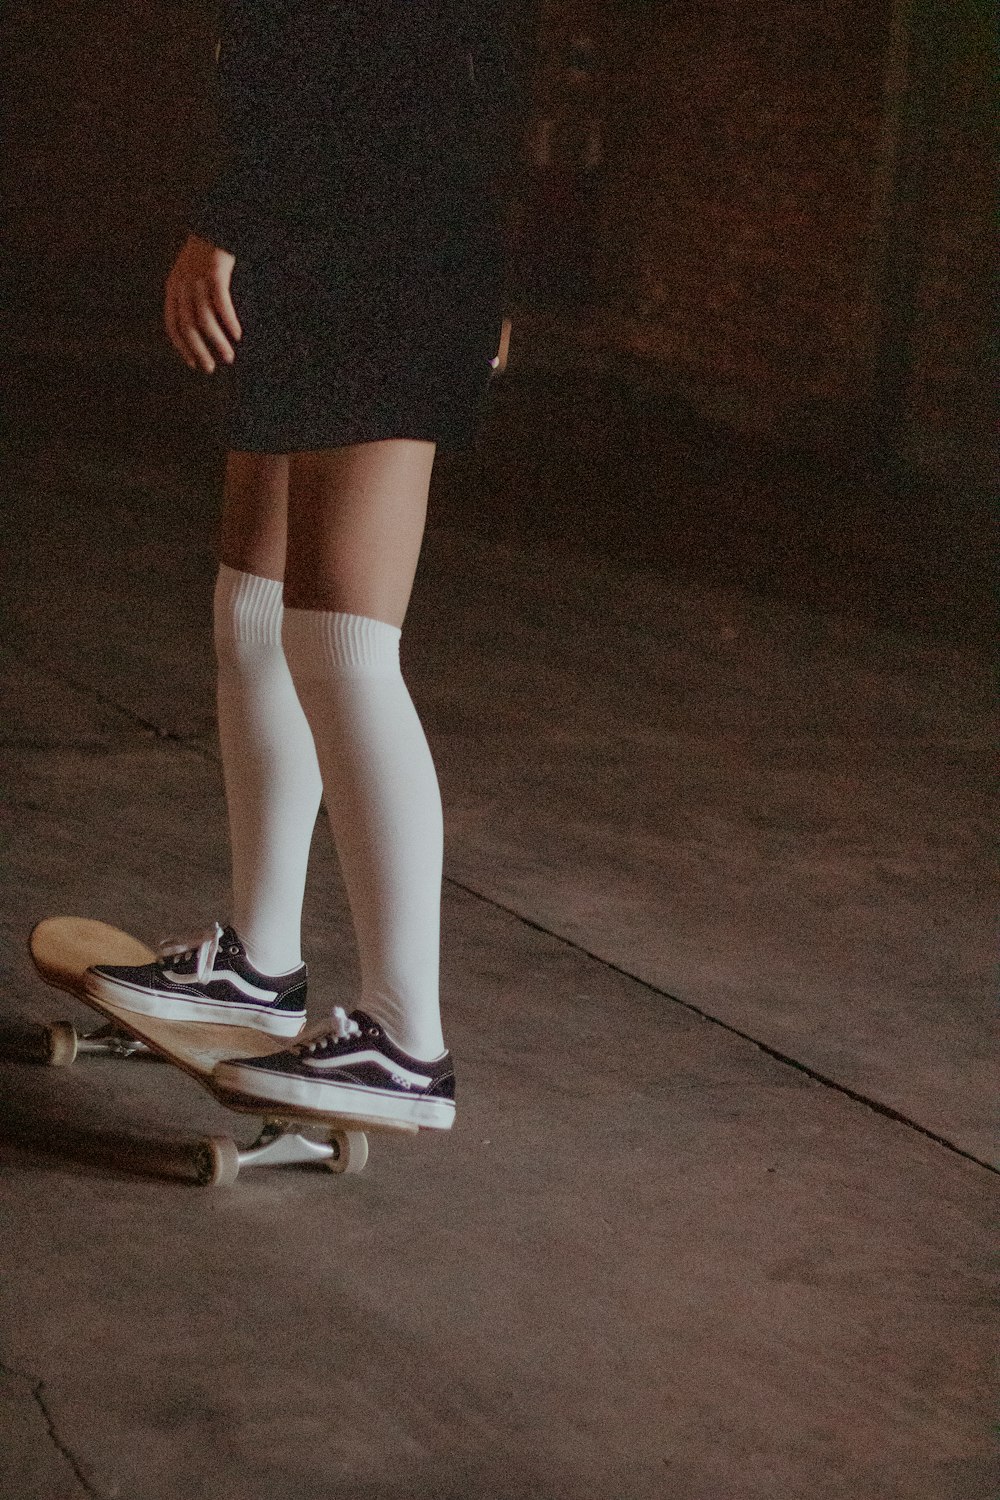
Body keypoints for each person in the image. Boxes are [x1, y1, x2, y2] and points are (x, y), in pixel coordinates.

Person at [86, 1, 524, 1132]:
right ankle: (259, 964)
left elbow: (412, 61)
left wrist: (226, 221)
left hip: (383, 252)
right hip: (322, 240)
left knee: (341, 641)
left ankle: (404, 1038)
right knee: (254, 609)